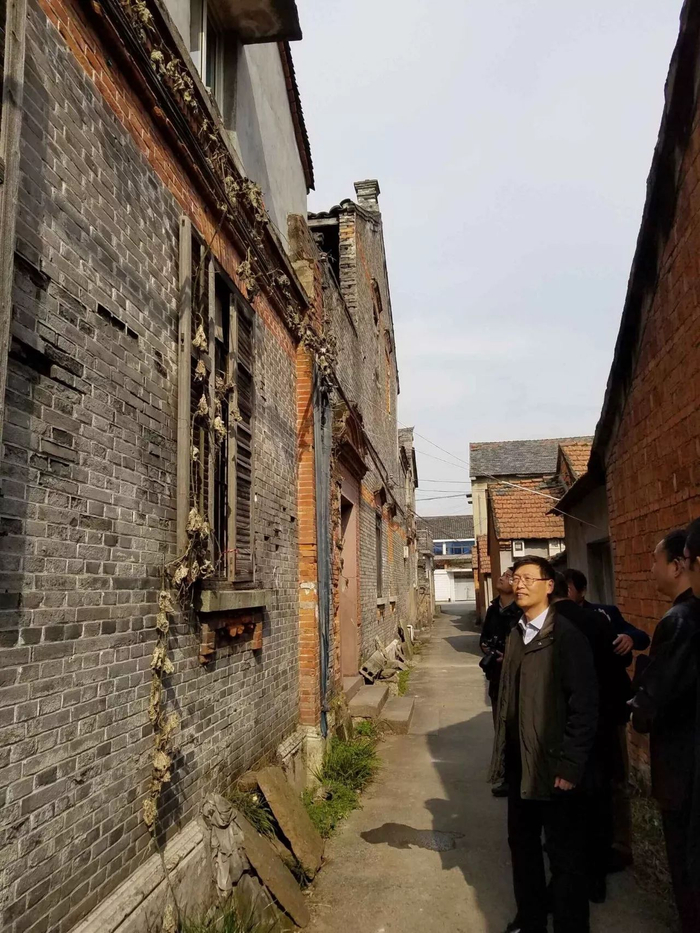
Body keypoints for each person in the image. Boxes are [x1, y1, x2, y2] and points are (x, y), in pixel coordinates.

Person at [490, 556, 598, 933]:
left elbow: (584, 707)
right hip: (522, 762)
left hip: (554, 766)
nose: (519, 585)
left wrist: (570, 765)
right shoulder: (516, 633)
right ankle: (531, 918)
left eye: (528, 579)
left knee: (564, 855)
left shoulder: (566, 636)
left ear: (549, 586)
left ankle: (570, 925)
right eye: (516, 578)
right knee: (522, 847)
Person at [630, 528, 700, 933]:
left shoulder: (678, 621)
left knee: (685, 862)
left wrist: (638, 708)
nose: (650, 569)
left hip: (681, 762)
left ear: (679, 565)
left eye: (656, 561)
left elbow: (655, 698)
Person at [551, 573, 632, 904]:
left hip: (563, 729)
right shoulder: (597, 621)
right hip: (601, 722)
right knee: (598, 800)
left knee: (565, 811)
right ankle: (597, 879)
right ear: (571, 591)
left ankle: (569, 881)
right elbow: (621, 659)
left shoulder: (545, 626)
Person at [565, 567, 650, 869]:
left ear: (581, 592)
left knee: (616, 779)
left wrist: (628, 637)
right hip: (577, 716)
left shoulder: (604, 614)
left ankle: (621, 844)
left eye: (568, 589)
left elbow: (641, 636)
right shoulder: (557, 621)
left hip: (610, 709)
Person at [481, 568, 521, 797]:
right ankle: (506, 775)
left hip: (517, 679)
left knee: (515, 728)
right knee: (501, 727)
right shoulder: (493, 609)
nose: (502, 577)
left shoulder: (521, 612)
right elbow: (484, 638)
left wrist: (509, 657)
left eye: (508, 576)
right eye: (503, 574)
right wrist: (487, 648)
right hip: (497, 678)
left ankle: (516, 777)